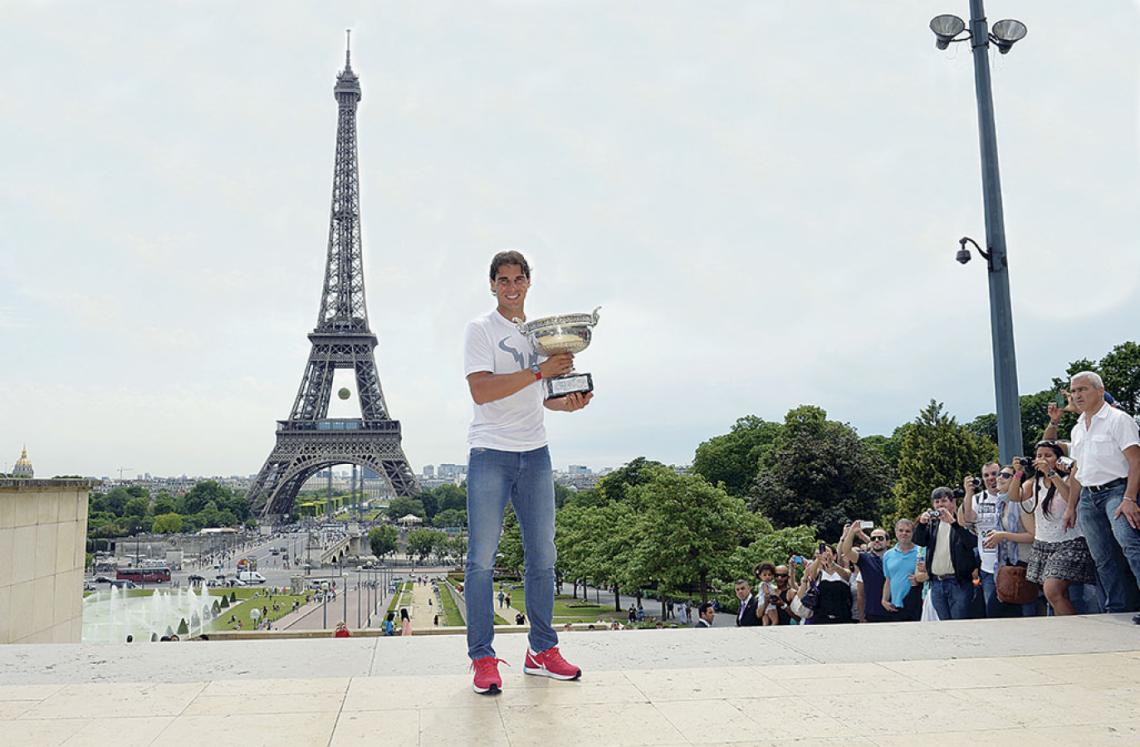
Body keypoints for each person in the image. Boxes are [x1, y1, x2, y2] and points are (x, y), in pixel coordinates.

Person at [462, 251, 588, 694]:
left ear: (529, 283)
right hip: (490, 452)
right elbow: (481, 391)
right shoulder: (480, 330)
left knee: (544, 557)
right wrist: (537, 368)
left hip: (535, 452)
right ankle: (482, 658)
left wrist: (568, 400)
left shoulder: (541, 335)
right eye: (503, 280)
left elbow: (545, 396)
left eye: (518, 279)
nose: (511, 287)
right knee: (480, 560)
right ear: (492, 285)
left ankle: (541, 651)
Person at [1064, 371, 1140, 620]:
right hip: (1088, 495)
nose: (1076, 395)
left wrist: (1129, 498)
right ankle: (1118, 608)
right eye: (1074, 391)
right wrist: (1071, 506)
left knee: (1131, 545)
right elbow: (1077, 470)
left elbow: (1135, 460)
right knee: (1102, 556)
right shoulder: (1077, 429)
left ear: (1099, 390)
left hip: (1117, 490)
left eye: (1082, 390)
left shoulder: (1119, 419)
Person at [1007, 440, 1097, 615]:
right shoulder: (1034, 483)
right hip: (1044, 544)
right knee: (1056, 595)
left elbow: (1070, 496)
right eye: (1039, 456)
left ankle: (1074, 630)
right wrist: (1018, 474)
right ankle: (1065, 630)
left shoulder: (1067, 477)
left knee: (1053, 589)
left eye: (1048, 455)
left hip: (1069, 541)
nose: (1043, 459)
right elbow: (1013, 496)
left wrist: (1051, 473)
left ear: (1058, 458)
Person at [913, 487, 979, 620]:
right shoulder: (932, 524)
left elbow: (971, 542)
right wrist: (921, 524)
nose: (940, 505)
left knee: (959, 624)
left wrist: (953, 523)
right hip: (937, 583)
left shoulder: (962, 520)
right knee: (944, 624)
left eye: (944, 501)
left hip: (958, 583)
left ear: (952, 502)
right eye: (936, 502)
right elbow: (919, 541)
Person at [980, 466, 1038, 616]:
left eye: (1005, 475)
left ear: (1016, 480)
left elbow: (1033, 535)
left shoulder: (1021, 503)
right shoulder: (1001, 504)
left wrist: (1004, 535)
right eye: (1000, 474)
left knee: (1026, 615)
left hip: (1024, 565)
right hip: (1006, 565)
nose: (999, 478)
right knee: (996, 612)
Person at [959, 462, 1004, 617]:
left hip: (1011, 564)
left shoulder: (1011, 495)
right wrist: (968, 492)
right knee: (992, 613)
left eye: (994, 473)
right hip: (988, 567)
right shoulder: (978, 499)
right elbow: (967, 519)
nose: (991, 478)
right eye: (986, 475)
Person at [839, 522, 890, 623]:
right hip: (873, 613)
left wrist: (862, 535)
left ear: (888, 542)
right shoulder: (865, 558)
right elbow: (847, 550)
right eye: (873, 538)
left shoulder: (895, 557)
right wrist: (851, 532)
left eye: (880, 538)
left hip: (895, 610)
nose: (876, 540)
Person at [880, 520, 923, 621]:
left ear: (913, 533)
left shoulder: (921, 552)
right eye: (901, 530)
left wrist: (918, 579)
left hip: (916, 603)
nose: (904, 533)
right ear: (895, 532)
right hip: (895, 606)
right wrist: (884, 600)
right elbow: (888, 579)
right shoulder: (888, 555)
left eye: (908, 531)